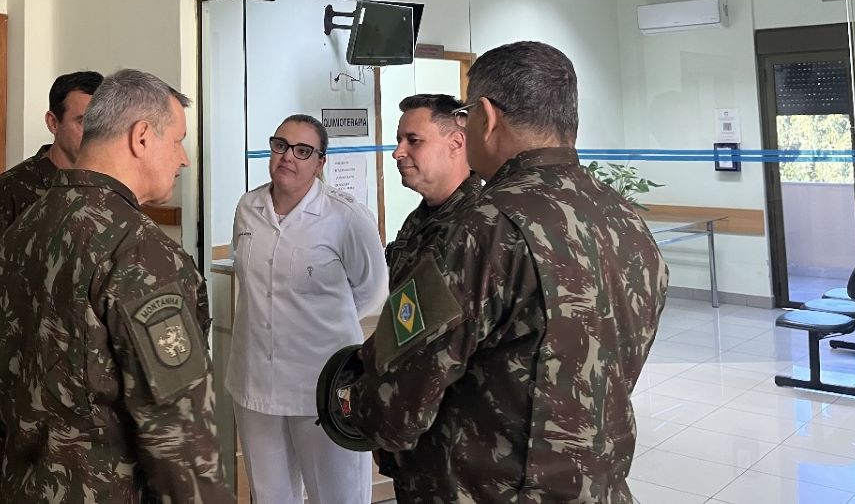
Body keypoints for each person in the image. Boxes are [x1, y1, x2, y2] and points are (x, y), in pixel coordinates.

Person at [317, 41, 668, 503]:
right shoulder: (626, 220)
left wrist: (347, 399)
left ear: (486, 115)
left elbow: (398, 402)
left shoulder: (483, 227)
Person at [0, 68, 233, 503]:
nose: (184, 158)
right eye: (177, 141)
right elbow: (177, 429)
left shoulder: (24, 227)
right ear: (141, 137)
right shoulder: (138, 251)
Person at [226, 114, 387, 504]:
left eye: (302, 151)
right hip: (256, 383)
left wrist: (321, 322)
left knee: (338, 495)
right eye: (280, 145)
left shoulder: (345, 216)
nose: (288, 157)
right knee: (270, 495)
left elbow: (372, 289)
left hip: (324, 387)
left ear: (320, 162)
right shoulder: (248, 207)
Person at [0, 69, 103, 247]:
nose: (94, 134)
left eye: (103, 124)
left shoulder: (110, 186)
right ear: (53, 123)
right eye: (83, 122)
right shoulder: (6, 192)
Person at [392, 93, 473, 208]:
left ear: (456, 143)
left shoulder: (485, 220)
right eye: (399, 141)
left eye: (413, 140)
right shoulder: (422, 216)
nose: (396, 153)